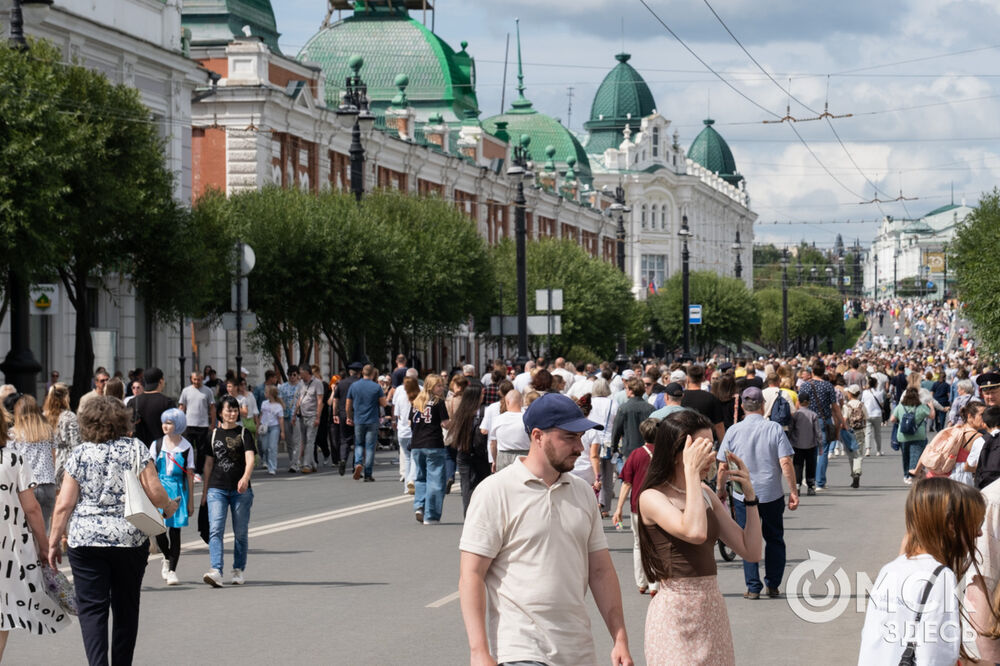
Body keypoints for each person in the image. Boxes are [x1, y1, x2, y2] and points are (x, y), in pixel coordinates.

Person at [458, 392, 634, 666]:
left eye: (580, 437)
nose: (579, 446)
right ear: (538, 436)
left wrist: (619, 637)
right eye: (569, 437)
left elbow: (600, 571)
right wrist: (478, 651)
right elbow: (471, 574)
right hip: (521, 649)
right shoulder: (495, 491)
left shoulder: (583, 493)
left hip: (578, 649)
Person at [48, 396, 178, 666]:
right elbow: (154, 491)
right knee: (126, 608)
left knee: (92, 611)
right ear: (122, 420)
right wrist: (168, 508)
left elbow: (64, 505)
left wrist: (51, 543)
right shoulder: (135, 448)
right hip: (128, 540)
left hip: (85, 543)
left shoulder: (81, 453)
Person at [638, 410, 763, 665]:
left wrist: (750, 498)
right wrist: (692, 475)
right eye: (703, 448)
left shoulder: (705, 492)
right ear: (678, 452)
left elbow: (751, 551)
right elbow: (694, 532)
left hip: (711, 610)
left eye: (712, 447)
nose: (712, 457)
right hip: (674, 612)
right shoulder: (652, 497)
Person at [859, 477, 984, 665]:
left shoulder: (891, 568)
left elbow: (873, 641)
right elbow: (935, 656)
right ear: (951, 524)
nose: (979, 533)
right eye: (976, 523)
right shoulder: (940, 577)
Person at [0, 405, 70, 660]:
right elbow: (31, 510)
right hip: (7, 552)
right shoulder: (12, 459)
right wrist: (44, 546)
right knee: (2, 613)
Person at [716, 386, 798, 599]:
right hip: (771, 491)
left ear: (743, 406)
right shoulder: (774, 429)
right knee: (774, 538)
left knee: (746, 537)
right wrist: (793, 491)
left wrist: (720, 490)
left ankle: (753, 586)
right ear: (763, 405)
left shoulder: (733, 430)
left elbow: (723, 465)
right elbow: (785, 462)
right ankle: (773, 583)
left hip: (742, 494)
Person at [201, 395, 256, 587]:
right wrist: (204, 492)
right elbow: (208, 464)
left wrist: (245, 478)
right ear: (220, 412)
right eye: (228, 410)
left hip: (241, 491)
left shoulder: (244, 433)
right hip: (217, 488)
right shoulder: (213, 434)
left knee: (240, 532)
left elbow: (250, 459)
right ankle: (216, 570)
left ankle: (238, 569)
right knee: (215, 529)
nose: (232, 413)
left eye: (235, 410)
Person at [612, 417, 660, 596]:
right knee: (656, 544)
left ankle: (642, 582)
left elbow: (626, 483)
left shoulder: (636, 454)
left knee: (638, 544)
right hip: (660, 504)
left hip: (638, 505)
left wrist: (618, 508)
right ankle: (655, 583)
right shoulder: (666, 454)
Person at [151, 408, 195, 586]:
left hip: (178, 491)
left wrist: (191, 501)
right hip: (159, 490)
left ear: (178, 425)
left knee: (175, 531)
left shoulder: (186, 447)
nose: (165, 426)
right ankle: (166, 556)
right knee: (160, 529)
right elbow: (150, 472)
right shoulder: (157, 444)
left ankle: (172, 570)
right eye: (164, 422)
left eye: (169, 423)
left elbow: (190, 476)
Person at [9, 395, 57, 530]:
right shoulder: (48, 431)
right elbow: (53, 458)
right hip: (47, 484)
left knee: (26, 532)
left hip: (25, 486)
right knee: (44, 529)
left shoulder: (13, 434)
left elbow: (11, 464)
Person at [409, 375, 450, 525]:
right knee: (436, 480)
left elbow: (410, 422)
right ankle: (431, 515)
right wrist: (455, 424)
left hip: (417, 444)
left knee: (420, 477)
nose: (441, 388)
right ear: (431, 387)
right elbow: (445, 424)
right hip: (433, 443)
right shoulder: (438, 402)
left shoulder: (417, 402)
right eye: (438, 386)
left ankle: (419, 505)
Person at [449, 383, 491, 515]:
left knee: (470, 486)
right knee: (474, 486)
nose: (483, 396)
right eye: (482, 394)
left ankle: (472, 515)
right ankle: (472, 515)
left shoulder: (462, 412)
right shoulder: (482, 412)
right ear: (475, 396)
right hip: (476, 454)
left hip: (467, 454)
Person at [346, 364, 387, 482]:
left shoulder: (354, 386)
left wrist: (349, 417)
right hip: (372, 420)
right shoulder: (376, 387)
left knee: (359, 444)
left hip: (359, 419)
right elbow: (384, 403)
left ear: (362, 373)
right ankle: (368, 474)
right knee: (370, 447)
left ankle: (358, 463)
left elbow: (348, 404)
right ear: (373, 374)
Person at [891, 387, 933, 485]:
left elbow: (892, 419)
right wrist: (931, 407)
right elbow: (932, 416)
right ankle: (912, 475)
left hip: (903, 436)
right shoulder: (922, 407)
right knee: (916, 456)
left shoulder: (900, 406)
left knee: (905, 456)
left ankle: (906, 475)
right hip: (918, 435)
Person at [178, 371, 216, 478]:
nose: (196, 382)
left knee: (201, 449)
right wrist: (179, 422)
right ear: (191, 379)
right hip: (188, 424)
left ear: (202, 379)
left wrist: (212, 424)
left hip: (202, 425)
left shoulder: (207, 391)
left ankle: (198, 471)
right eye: (194, 379)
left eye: (199, 379)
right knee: (186, 447)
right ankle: (186, 469)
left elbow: (212, 408)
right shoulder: (186, 391)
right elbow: (182, 407)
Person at [45, 382, 81, 487]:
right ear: (65, 397)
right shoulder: (69, 416)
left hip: (48, 461)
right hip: (65, 460)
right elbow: (76, 444)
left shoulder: (43, 417)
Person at [330, 362, 362, 475]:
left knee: (344, 440)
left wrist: (335, 414)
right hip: (358, 415)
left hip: (343, 415)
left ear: (350, 372)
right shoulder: (360, 383)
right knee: (358, 441)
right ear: (360, 372)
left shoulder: (341, 383)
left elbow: (335, 400)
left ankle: (343, 459)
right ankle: (356, 465)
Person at [290, 365, 323, 474]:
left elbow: (319, 401)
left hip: (312, 415)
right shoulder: (301, 384)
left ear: (307, 373)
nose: (299, 375)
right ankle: (313, 463)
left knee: (310, 440)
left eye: (301, 373)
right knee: (304, 440)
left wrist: (318, 417)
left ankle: (306, 465)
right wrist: (294, 414)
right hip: (302, 416)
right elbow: (299, 399)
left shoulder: (317, 383)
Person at [131, 368, 176, 446]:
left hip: (139, 449)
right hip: (162, 448)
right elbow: (174, 427)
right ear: (161, 381)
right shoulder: (167, 402)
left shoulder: (132, 402)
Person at [787, 392, 822, 495]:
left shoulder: (796, 415)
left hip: (797, 445)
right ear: (809, 402)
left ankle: (797, 485)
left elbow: (790, 429)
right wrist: (820, 445)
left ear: (798, 402)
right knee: (811, 466)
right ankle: (811, 486)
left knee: (797, 465)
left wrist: (789, 441)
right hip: (811, 444)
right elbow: (818, 432)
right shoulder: (813, 415)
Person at [489, 389, 531, 473]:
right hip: (525, 456)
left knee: (504, 484)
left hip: (503, 457)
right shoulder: (528, 419)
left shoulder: (498, 419)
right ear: (521, 402)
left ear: (507, 402)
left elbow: (493, 444)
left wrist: (495, 460)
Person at [680, 364, 725, 442]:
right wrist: (723, 446)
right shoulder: (711, 398)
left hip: (684, 440)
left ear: (687, 379)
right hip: (706, 441)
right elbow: (719, 426)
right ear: (703, 378)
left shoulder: (680, 397)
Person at [394, 374, 419, 493]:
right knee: (414, 458)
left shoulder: (400, 397)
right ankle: (411, 480)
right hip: (414, 431)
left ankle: (406, 487)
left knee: (407, 458)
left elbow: (397, 415)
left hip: (402, 432)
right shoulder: (418, 397)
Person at [841, 384, 866, 488]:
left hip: (849, 432)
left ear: (850, 393)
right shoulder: (861, 405)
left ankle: (854, 474)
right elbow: (866, 417)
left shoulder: (846, 406)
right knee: (859, 453)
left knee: (851, 454)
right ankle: (857, 472)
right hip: (860, 430)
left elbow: (844, 419)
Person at [258, 385, 285, 475]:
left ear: (271, 394)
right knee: (264, 447)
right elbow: (261, 415)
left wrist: (282, 431)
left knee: (272, 448)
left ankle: (272, 467)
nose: (265, 393)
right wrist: (259, 425)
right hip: (265, 427)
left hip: (274, 427)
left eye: (266, 392)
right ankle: (265, 460)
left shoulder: (278, 406)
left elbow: (281, 419)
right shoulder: (264, 403)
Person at [860, 376, 886, 456]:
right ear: (875, 384)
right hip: (877, 414)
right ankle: (878, 450)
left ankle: (868, 450)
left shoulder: (865, 393)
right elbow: (882, 403)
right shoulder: (879, 393)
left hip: (867, 414)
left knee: (867, 433)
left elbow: (862, 403)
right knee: (877, 433)